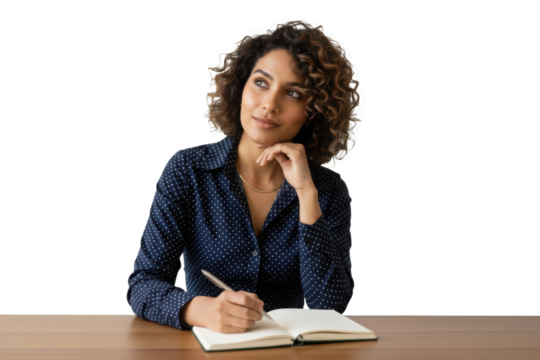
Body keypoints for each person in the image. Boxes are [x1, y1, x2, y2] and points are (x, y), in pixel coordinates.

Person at [126, 18, 363, 334]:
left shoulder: (328, 190)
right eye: (261, 83)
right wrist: (200, 311)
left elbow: (330, 308)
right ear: (240, 87)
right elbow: (142, 284)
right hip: (203, 348)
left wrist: (307, 195)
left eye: (293, 93)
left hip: (285, 354)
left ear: (314, 112)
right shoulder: (188, 169)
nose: (269, 105)